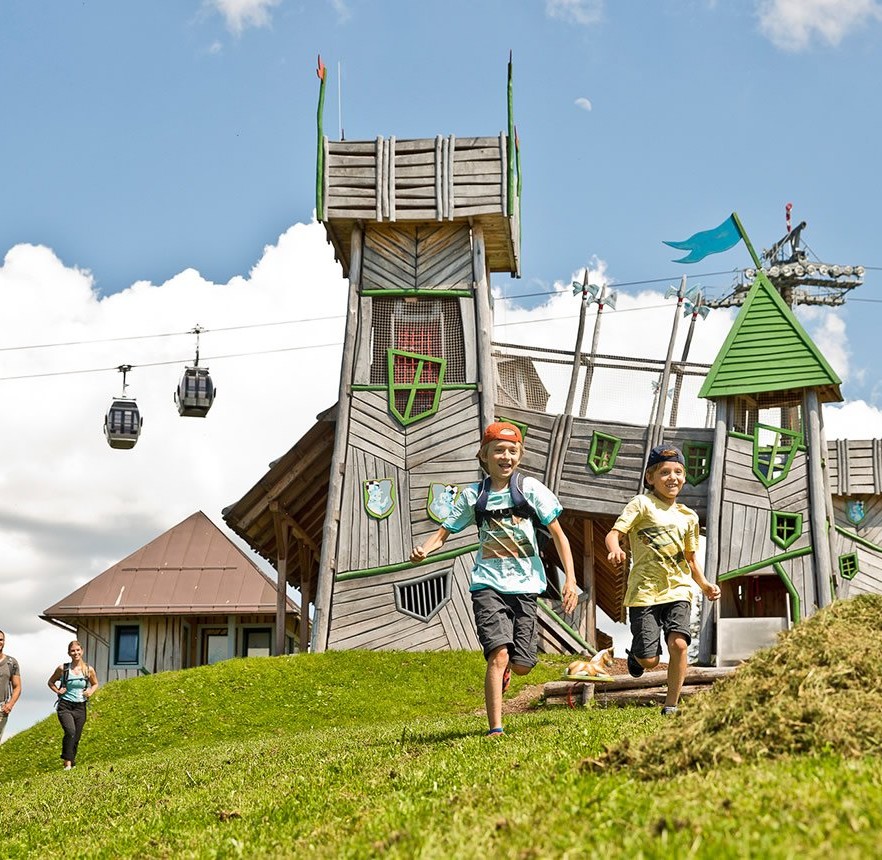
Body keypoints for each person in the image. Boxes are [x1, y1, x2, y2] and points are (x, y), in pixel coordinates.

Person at [411, 421, 578, 736]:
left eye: (513, 451)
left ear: (520, 456)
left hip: (526, 586)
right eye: (499, 450)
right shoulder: (474, 496)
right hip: (487, 585)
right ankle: (495, 729)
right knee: (498, 653)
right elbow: (444, 533)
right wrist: (425, 549)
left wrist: (570, 579)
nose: (506, 456)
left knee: (522, 665)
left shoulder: (530, 489)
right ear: (484, 456)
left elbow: (558, 535)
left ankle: (509, 670)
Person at [605, 444, 721, 716]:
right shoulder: (642, 504)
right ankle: (637, 657)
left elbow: (690, 559)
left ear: (684, 477)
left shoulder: (688, 516)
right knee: (649, 660)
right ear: (650, 477)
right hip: (644, 592)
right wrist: (615, 548)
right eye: (665, 472)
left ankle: (671, 705)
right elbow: (614, 534)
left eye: (678, 472)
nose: (673, 477)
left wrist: (704, 585)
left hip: (678, 590)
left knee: (679, 644)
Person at [47, 641, 99, 769]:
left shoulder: (88, 669)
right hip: (65, 705)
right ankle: (67, 764)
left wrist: (90, 691)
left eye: (78, 650)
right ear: (69, 653)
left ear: (82, 651)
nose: (76, 653)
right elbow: (50, 682)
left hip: (80, 706)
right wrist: (58, 691)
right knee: (70, 731)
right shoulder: (63, 669)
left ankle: (72, 761)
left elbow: (95, 684)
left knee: (76, 736)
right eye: (73, 651)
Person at [0, 630, 22, 741]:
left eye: (1, 639)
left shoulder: (11, 662)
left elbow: (17, 686)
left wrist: (10, 704)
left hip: (1, 707)